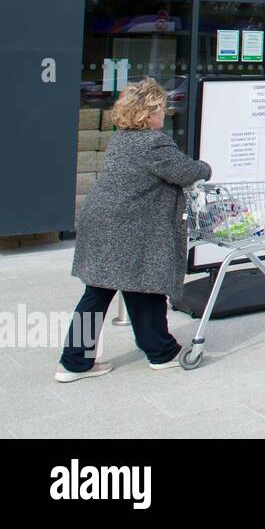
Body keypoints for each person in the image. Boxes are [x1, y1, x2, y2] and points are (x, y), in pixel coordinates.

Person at [56, 78, 211, 382]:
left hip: (104, 222)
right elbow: (186, 171)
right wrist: (206, 167)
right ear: (147, 112)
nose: (164, 114)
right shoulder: (153, 143)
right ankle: (159, 351)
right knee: (140, 284)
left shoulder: (122, 139)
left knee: (103, 291)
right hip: (127, 228)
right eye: (160, 109)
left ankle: (77, 361)